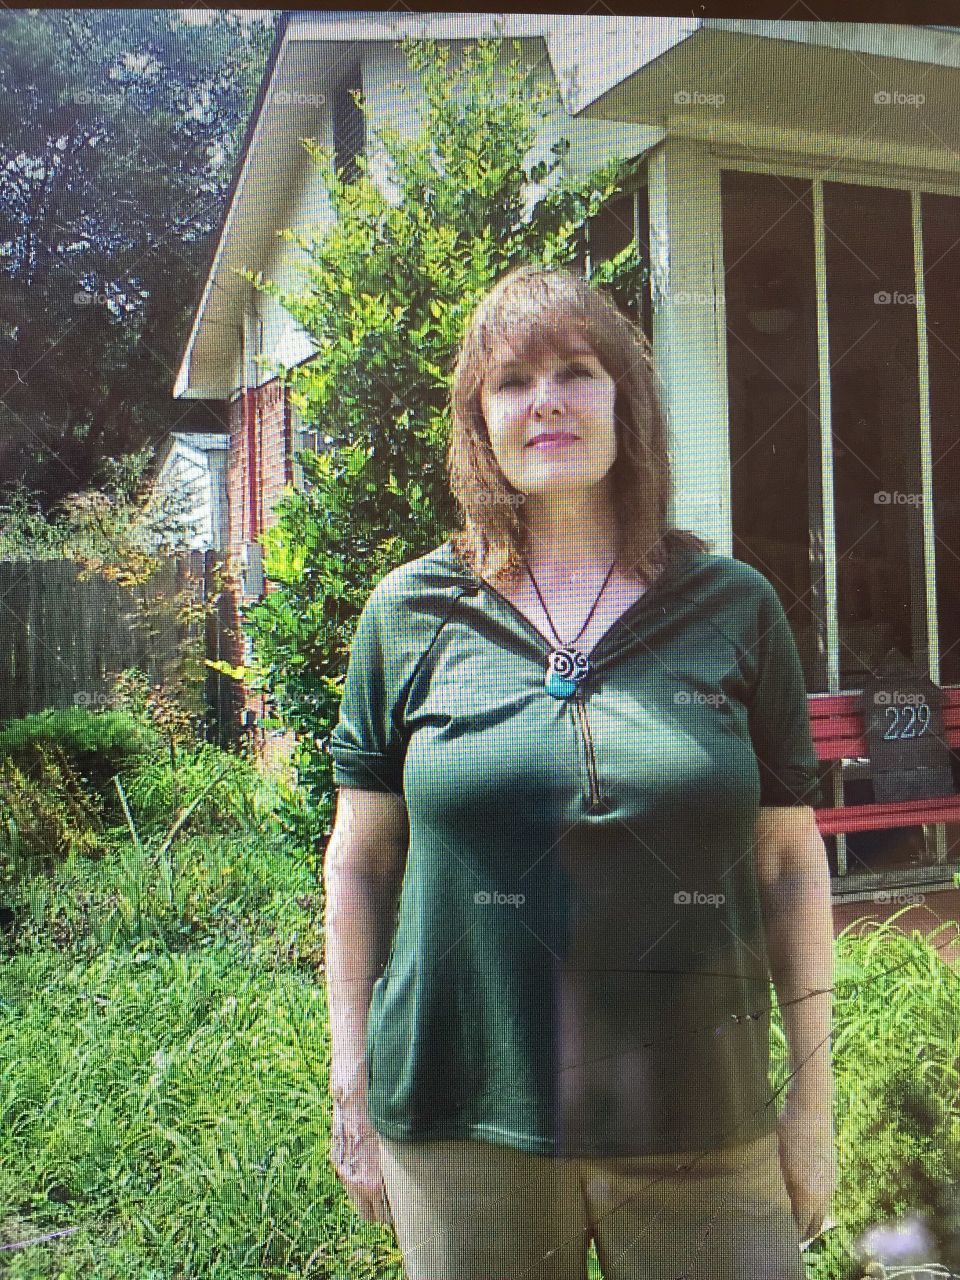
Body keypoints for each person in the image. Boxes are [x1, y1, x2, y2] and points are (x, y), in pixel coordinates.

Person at [323, 263, 836, 1279]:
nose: (546, 398)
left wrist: (811, 1102)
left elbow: (789, 866)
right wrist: (351, 1084)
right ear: (481, 423)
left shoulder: (734, 608)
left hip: (704, 1117)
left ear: (624, 403)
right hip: (465, 1125)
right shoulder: (409, 613)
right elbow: (357, 863)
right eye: (512, 381)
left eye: (577, 370)